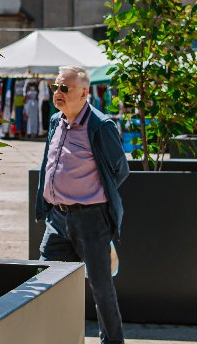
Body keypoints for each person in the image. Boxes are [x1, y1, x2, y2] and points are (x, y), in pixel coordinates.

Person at [35, 66, 129, 344]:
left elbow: (120, 170)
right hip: (58, 219)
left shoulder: (101, 126)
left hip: (91, 220)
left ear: (84, 92)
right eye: (55, 87)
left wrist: (90, 194)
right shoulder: (56, 121)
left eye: (65, 88)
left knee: (101, 288)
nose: (58, 93)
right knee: (44, 279)